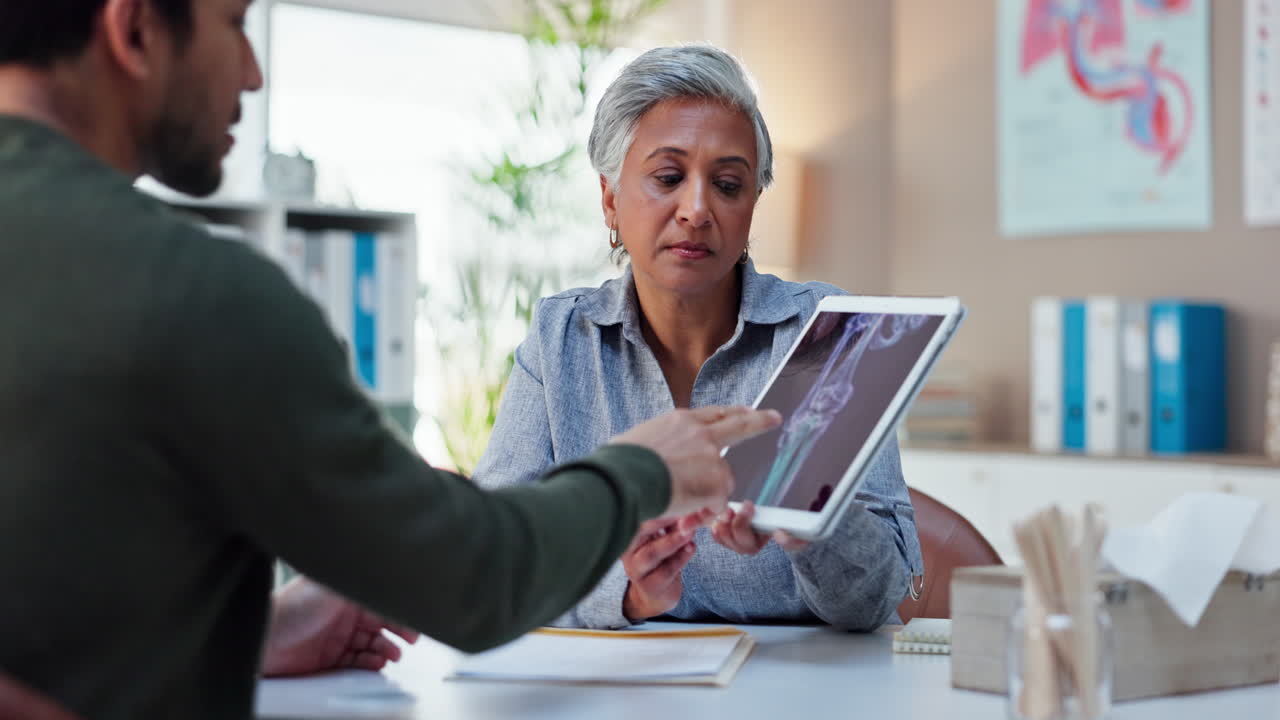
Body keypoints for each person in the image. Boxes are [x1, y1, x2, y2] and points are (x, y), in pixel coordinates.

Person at [0, 1, 781, 717]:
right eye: (236, 22)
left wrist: (260, 632)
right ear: (134, 27)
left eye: (728, 183)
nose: (253, 70)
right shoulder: (193, 294)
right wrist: (643, 468)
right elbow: (473, 576)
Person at [474, 45, 924, 630]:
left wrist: (811, 516)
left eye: (728, 185)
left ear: (752, 206)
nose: (696, 208)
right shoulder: (563, 339)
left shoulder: (823, 330)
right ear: (610, 199)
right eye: (667, 177)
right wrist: (626, 593)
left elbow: (879, 599)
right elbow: (495, 565)